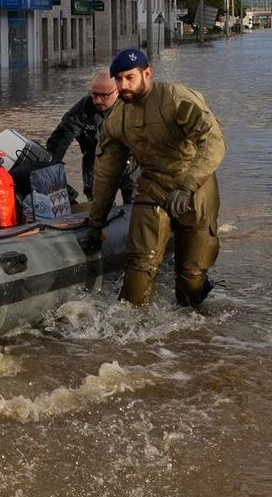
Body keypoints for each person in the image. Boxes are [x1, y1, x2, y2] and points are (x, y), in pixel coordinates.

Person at [82, 49, 226, 307]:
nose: (123, 85)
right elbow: (107, 172)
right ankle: (132, 337)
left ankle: (197, 333)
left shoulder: (175, 98)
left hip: (196, 188)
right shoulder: (117, 118)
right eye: (118, 80)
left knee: (190, 281)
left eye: (129, 78)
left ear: (147, 74)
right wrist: (96, 222)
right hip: (153, 187)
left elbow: (213, 143)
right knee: (137, 271)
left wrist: (187, 186)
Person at [45, 70, 135, 202]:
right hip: (95, 160)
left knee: (136, 203)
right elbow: (61, 138)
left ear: (117, 91)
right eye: (94, 94)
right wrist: (51, 169)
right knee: (97, 205)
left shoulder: (133, 107)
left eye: (104, 95)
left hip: (129, 161)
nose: (97, 100)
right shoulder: (84, 107)